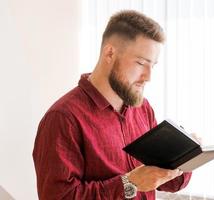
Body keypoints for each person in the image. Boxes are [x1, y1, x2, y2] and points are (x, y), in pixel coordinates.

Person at [32, 10, 192, 199]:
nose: (148, 77)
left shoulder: (142, 109)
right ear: (110, 53)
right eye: (141, 63)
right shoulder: (63, 118)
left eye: (153, 65)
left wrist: (185, 156)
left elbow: (169, 183)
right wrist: (129, 183)